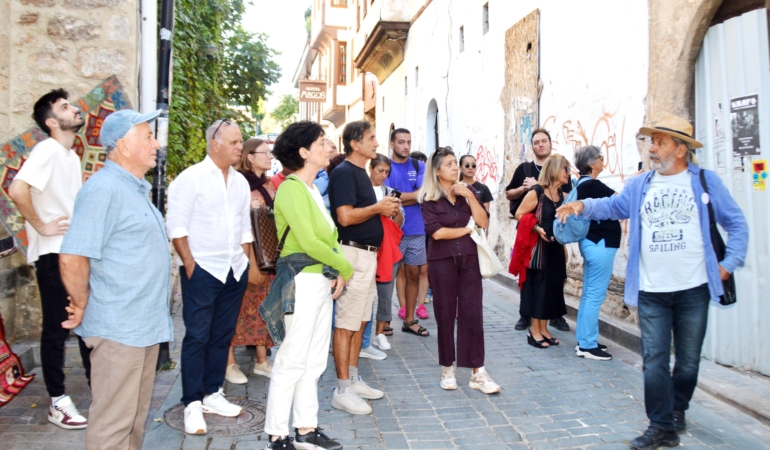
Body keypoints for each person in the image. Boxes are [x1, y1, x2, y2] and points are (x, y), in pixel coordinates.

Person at [556, 114, 748, 450]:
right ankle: (661, 425)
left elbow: (737, 224)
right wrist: (581, 204)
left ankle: (678, 408)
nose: (652, 148)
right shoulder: (641, 184)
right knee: (654, 359)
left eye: (660, 142)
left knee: (687, 361)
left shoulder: (705, 182)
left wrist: (728, 264)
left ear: (681, 149)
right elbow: (612, 206)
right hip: (651, 290)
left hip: (693, 289)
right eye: (651, 141)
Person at [58, 108, 173, 449]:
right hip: (119, 328)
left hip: (142, 326)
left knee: (133, 420)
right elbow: (72, 256)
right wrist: (81, 302)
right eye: (148, 137)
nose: (156, 144)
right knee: (112, 425)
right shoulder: (104, 188)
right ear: (123, 145)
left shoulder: (133, 189)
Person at [259, 121, 352, 450]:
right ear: (303, 152)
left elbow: (330, 238)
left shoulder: (311, 189)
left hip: (320, 280)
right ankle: (276, 434)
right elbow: (310, 242)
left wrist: (337, 268)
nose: (328, 148)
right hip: (301, 281)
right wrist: (345, 267)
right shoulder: (291, 188)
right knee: (292, 359)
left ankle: (305, 428)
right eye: (321, 142)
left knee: (313, 361)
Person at [8, 88, 91, 430]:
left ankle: (100, 392)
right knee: (57, 328)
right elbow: (16, 189)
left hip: (72, 250)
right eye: (65, 107)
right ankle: (58, 402)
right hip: (53, 253)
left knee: (84, 323)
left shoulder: (69, 156)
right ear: (52, 122)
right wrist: (41, 226)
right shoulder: (47, 149)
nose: (75, 109)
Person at [166, 119, 252, 435]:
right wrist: (190, 265)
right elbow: (176, 226)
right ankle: (192, 402)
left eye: (240, 141)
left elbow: (245, 227)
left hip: (234, 269)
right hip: (202, 270)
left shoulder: (240, 182)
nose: (240, 147)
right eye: (234, 142)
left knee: (222, 334)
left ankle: (212, 393)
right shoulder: (191, 178)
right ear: (215, 143)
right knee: (197, 335)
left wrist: (245, 261)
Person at [328, 120, 400, 415]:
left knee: (359, 321)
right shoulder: (344, 173)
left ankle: (354, 379)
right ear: (355, 144)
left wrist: (384, 211)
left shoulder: (359, 172)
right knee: (346, 323)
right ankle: (342, 389)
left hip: (367, 256)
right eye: (371, 138)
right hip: (352, 255)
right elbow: (345, 217)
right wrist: (378, 208)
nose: (377, 143)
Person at [419, 147, 500, 394]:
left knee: (472, 313)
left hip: (469, 260)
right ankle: (447, 368)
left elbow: (483, 222)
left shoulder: (469, 192)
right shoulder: (429, 199)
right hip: (442, 262)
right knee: (444, 315)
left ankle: (478, 372)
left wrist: (470, 197)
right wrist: (467, 229)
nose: (456, 168)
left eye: (456, 163)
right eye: (450, 164)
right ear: (437, 171)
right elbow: (437, 233)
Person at [505, 128, 571, 332]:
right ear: (532, 146)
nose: (540, 145)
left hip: (554, 239)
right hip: (532, 236)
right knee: (533, 280)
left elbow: (569, 198)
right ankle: (528, 318)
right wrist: (526, 189)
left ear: (550, 143)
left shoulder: (560, 177)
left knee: (553, 280)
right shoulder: (524, 170)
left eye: (544, 141)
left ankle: (553, 318)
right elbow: (510, 195)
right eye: (536, 142)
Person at [224, 138, 276, 385]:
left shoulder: (267, 184)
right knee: (235, 310)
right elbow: (224, 216)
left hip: (265, 256)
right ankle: (229, 363)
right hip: (243, 256)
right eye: (264, 152)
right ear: (250, 157)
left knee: (262, 308)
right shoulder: (236, 182)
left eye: (270, 152)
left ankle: (261, 361)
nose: (270, 157)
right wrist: (246, 207)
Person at [572, 145, 620, 361]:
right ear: (591, 163)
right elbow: (621, 202)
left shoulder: (582, 184)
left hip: (592, 243)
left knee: (589, 294)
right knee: (594, 295)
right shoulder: (593, 185)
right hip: (601, 244)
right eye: (600, 157)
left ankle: (585, 339)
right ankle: (587, 345)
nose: (603, 160)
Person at [387, 128, 431, 331]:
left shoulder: (418, 165)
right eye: (401, 142)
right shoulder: (385, 166)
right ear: (392, 144)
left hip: (416, 230)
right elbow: (387, 196)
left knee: (414, 274)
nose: (406, 146)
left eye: (409, 142)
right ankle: (384, 324)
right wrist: (414, 196)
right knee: (388, 277)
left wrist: (401, 197)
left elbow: (424, 194)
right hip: (392, 232)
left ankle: (410, 320)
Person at [367, 155, 404, 352]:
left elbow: (400, 223)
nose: (383, 175)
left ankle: (380, 332)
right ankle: (363, 336)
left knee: (386, 294)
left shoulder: (389, 192)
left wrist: (395, 211)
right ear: (371, 168)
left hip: (387, 249)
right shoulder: (362, 189)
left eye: (387, 172)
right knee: (364, 294)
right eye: (380, 170)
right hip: (366, 247)